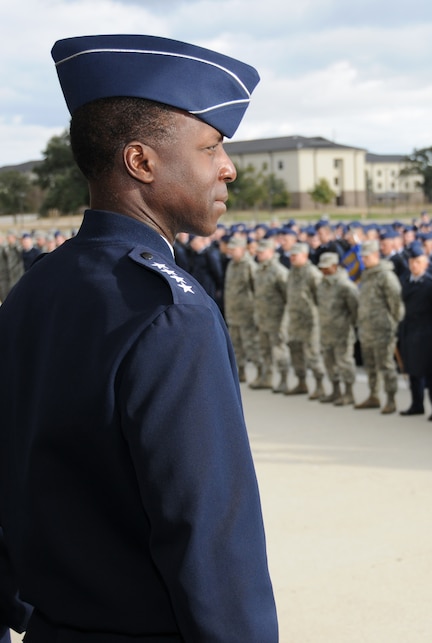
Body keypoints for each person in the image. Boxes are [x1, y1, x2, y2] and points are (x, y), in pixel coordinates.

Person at [0, 34, 278, 640]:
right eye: (210, 148)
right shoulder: (169, 312)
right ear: (142, 162)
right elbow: (209, 538)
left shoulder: (33, 293)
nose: (228, 167)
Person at [397, 242, 432, 420]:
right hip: (409, 330)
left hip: (428, 332)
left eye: (418, 262)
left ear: (426, 263)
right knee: (413, 371)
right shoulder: (405, 282)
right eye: (411, 262)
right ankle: (416, 404)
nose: (414, 266)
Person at [354, 240, 405, 413]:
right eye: (362, 257)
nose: (363, 260)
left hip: (383, 329)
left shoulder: (386, 276)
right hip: (367, 329)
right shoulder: (366, 275)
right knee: (370, 365)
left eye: (366, 257)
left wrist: (395, 324)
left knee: (386, 365)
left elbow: (396, 303)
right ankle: (373, 395)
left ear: (376, 255)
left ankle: (391, 399)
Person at [317, 252, 359, 405]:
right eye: (322, 268)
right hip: (326, 331)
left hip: (342, 332)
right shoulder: (322, 284)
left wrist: (350, 324)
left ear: (334, 267)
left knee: (344, 362)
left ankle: (349, 393)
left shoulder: (345, 285)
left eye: (326, 268)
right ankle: (336, 391)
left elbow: (355, 308)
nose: (323, 271)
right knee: (329, 362)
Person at [285, 242, 326, 398]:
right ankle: (301, 382)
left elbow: (320, 298)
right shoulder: (292, 272)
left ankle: (320, 385)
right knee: (295, 351)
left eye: (296, 255)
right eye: (291, 255)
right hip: (295, 319)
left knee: (312, 353)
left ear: (305, 255)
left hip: (310, 320)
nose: (292, 258)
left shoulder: (312, 273)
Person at [253, 238, 291, 393]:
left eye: (262, 252)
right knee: (264, 349)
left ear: (271, 252)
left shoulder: (280, 272)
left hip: (276, 319)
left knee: (279, 350)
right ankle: (267, 378)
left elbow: (289, 298)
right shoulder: (259, 270)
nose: (259, 254)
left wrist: (285, 322)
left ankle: (284, 379)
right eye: (258, 252)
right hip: (263, 318)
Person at [224, 235, 263, 385]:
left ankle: (261, 371)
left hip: (247, 313)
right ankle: (241, 372)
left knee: (251, 344)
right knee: (236, 345)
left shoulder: (249, 266)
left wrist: (255, 312)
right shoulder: (231, 265)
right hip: (233, 313)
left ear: (242, 249)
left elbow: (256, 290)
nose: (231, 252)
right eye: (230, 249)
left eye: (234, 249)